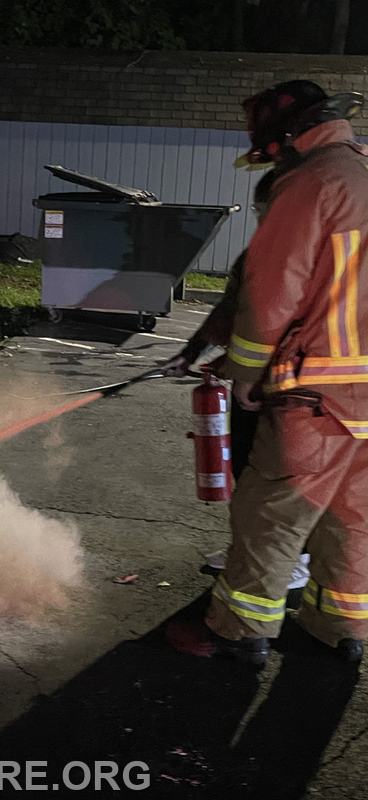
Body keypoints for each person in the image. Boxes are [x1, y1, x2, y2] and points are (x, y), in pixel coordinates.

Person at [167, 79, 368, 667]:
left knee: (270, 514)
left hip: (318, 392)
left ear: (285, 138)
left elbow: (270, 292)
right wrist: (204, 342)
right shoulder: (360, 175)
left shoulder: (311, 185)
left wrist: (244, 373)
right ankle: (342, 628)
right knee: (352, 514)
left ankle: (237, 633)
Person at [163, 169, 311, 590]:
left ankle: (298, 559)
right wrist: (190, 353)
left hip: (309, 389)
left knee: (289, 479)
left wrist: (246, 370)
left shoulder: (326, 255)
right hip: (256, 389)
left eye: (273, 211)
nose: (265, 222)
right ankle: (248, 547)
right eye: (262, 212)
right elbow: (231, 311)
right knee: (246, 469)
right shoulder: (257, 256)